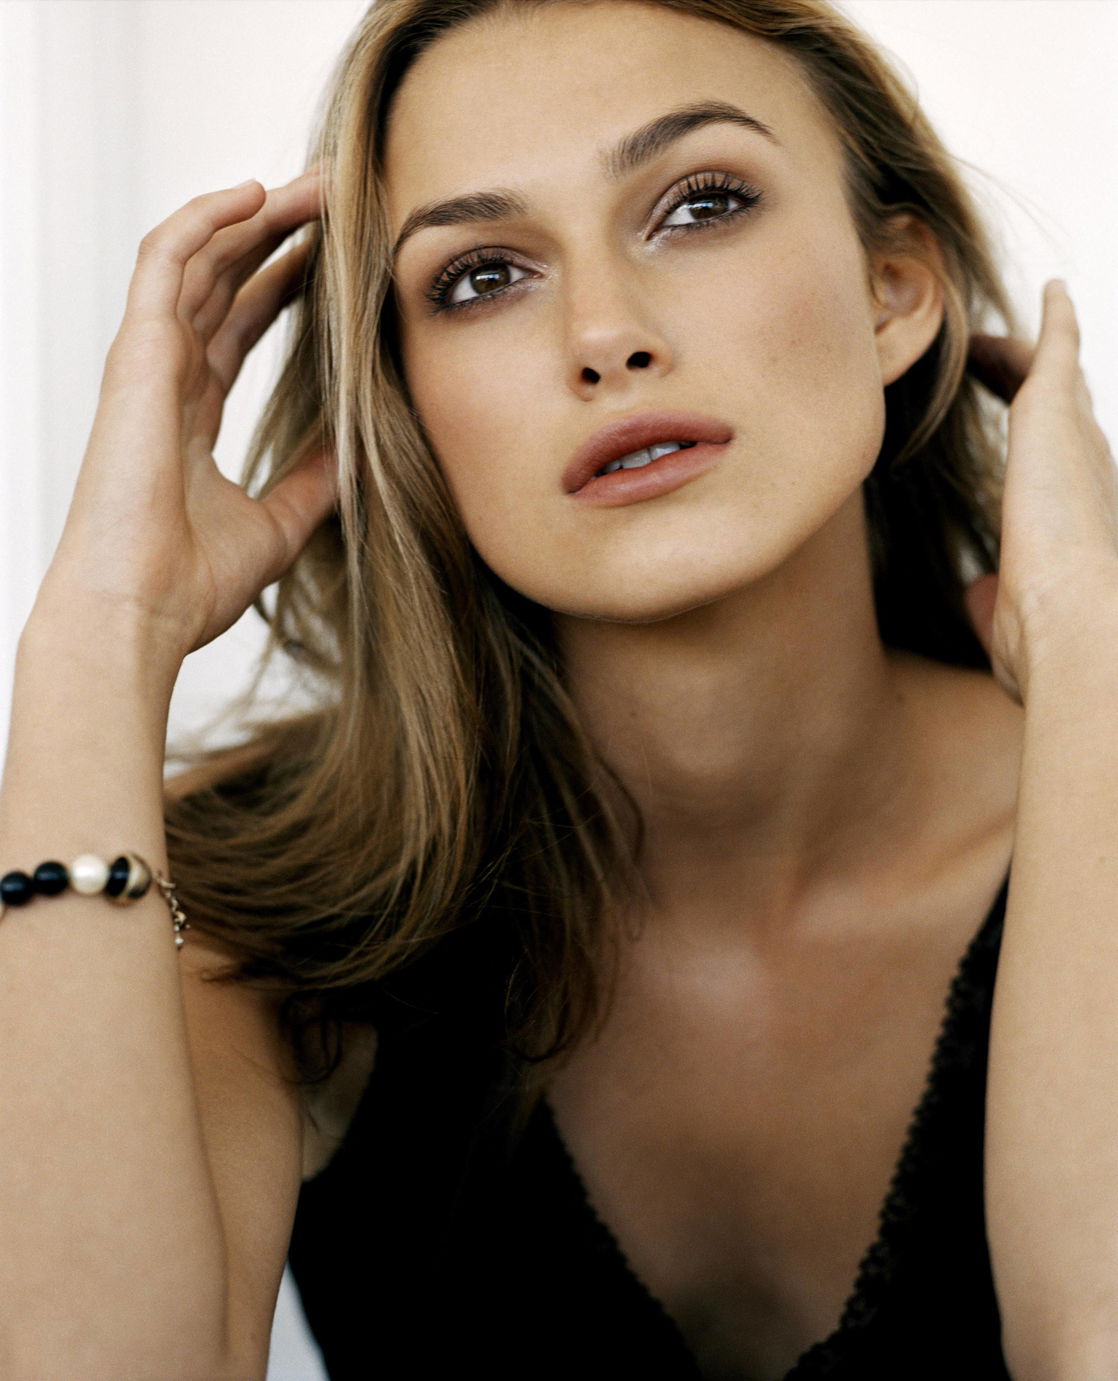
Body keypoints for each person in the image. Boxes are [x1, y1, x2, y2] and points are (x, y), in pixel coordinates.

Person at [0, 0, 1115, 1378]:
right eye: (481, 277)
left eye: (700, 206)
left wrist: (1092, 651)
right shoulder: (253, 917)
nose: (605, 334)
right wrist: (98, 633)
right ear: (405, 407)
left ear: (893, 290)